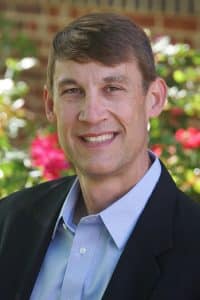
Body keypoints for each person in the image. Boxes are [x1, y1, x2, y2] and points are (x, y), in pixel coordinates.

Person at [0, 12, 200, 300]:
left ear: (154, 98)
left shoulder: (193, 246)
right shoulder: (9, 222)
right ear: (50, 104)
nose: (91, 114)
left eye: (113, 88)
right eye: (73, 91)